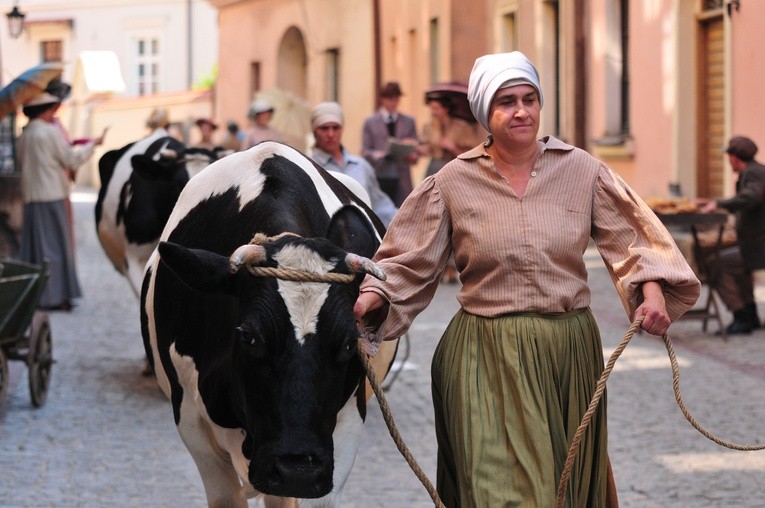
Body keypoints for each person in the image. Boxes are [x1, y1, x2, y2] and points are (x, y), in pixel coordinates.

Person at [353, 51, 701, 507]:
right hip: (484, 357)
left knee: (564, 488)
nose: (521, 111)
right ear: (485, 114)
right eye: (506, 102)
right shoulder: (451, 182)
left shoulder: (582, 170)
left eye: (529, 99)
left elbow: (634, 241)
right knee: (503, 491)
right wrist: (369, 300)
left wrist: (652, 294)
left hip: (567, 354)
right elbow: (407, 262)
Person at [17, 92, 105, 310]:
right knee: (55, 249)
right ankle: (55, 297)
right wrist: (92, 145)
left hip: (31, 197)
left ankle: (36, 296)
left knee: (36, 249)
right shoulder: (49, 132)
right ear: (46, 110)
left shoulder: (24, 136)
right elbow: (71, 159)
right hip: (52, 196)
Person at [699, 136, 765, 334]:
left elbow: (752, 196)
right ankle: (749, 314)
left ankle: (741, 315)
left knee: (717, 264)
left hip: (759, 245)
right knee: (737, 267)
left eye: (729, 157)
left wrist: (720, 204)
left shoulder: (753, 174)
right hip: (754, 244)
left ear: (734, 158)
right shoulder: (755, 171)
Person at [308, 101, 398, 228]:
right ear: (315, 131)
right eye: (324, 128)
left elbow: (380, 205)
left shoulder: (361, 166)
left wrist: (406, 221)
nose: (331, 134)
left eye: (335, 127)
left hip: (366, 241)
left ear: (342, 129)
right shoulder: (309, 169)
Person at [361, 81, 419, 206]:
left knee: (403, 211)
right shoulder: (370, 122)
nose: (393, 102)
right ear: (382, 99)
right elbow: (365, 150)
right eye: (390, 98)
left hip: (402, 176)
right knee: (380, 211)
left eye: (396, 98)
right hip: (380, 174)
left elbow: (416, 150)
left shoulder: (409, 121)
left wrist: (411, 151)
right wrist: (378, 154)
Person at [418, 94, 486, 177]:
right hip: (434, 168)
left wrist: (453, 148)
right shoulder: (429, 127)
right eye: (431, 109)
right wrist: (422, 149)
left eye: (436, 109)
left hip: (455, 168)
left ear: (446, 109)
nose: (433, 112)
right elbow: (427, 147)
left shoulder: (462, 127)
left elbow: (473, 154)